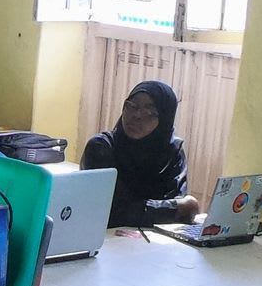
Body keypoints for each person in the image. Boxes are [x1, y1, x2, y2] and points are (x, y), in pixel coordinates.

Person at [80, 80, 201, 227]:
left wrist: (172, 209)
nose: (136, 115)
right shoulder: (101, 147)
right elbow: (112, 210)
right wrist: (172, 209)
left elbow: (179, 203)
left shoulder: (172, 152)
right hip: (104, 236)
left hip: (154, 238)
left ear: (164, 119)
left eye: (150, 112)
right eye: (132, 106)